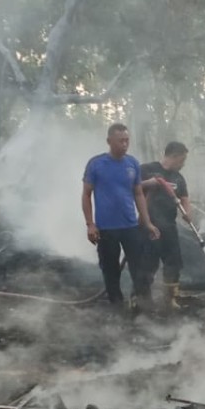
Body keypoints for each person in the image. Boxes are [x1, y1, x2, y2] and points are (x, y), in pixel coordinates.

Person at [82, 122, 160, 309]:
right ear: (109, 141)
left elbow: (138, 193)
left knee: (139, 268)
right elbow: (86, 195)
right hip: (106, 228)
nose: (124, 145)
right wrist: (90, 224)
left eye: (127, 141)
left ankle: (143, 305)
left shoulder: (132, 163)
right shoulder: (96, 164)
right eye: (120, 141)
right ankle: (117, 306)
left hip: (130, 226)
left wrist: (147, 222)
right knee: (110, 270)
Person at [139, 141, 191, 310]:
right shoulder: (147, 169)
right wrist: (151, 183)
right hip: (148, 225)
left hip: (169, 226)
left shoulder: (179, 178)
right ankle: (141, 299)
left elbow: (184, 198)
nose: (183, 164)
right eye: (182, 160)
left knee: (173, 263)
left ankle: (170, 300)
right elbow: (132, 187)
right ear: (174, 156)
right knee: (148, 263)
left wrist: (187, 212)